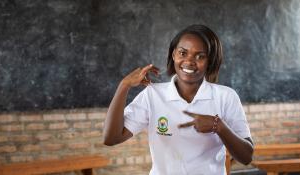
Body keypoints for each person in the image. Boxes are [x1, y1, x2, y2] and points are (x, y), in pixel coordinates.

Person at [103, 24, 254, 175]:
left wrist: (219, 127)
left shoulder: (226, 96)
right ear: (174, 54)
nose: (189, 61)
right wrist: (124, 85)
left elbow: (246, 157)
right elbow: (111, 138)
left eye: (200, 56)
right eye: (183, 53)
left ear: (210, 61)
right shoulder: (153, 95)